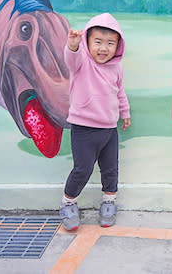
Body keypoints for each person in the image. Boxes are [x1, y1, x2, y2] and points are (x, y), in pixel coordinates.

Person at [59, 13, 131, 230]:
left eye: (110, 43)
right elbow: (71, 59)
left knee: (110, 169)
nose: (103, 48)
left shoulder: (116, 68)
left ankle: (109, 202)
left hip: (109, 129)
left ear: (118, 46)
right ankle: (68, 203)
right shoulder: (82, 64)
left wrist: (124, 112)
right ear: (87, 42)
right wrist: (73, 46)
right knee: (82, 169)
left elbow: (120, 93)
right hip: (84, 129)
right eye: (98, 42)